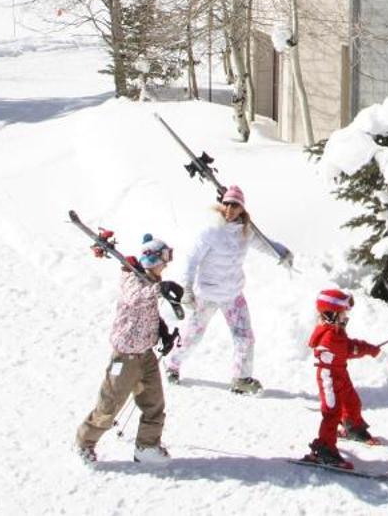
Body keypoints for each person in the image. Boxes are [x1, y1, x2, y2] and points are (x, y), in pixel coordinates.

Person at [164, 185, 291, 394]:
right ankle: (172, 366)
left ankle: (240, 378)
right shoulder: (211, 231)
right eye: (226, 204)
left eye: (235, 205)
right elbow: (191, 260)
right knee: (192, 336)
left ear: (242, 208)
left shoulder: (246, 232)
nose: (230, 209)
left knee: (245, 337)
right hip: (208, 294)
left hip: (233, 294)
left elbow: (265, 243)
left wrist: (282, 252)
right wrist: (187, 289)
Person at [74, 234, 179, 465]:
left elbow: (147, 314)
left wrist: (161, 332)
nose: (168, 263)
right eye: (165, 258)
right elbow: (135, 299)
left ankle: (147, 447)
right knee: (109, 406)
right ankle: (84, 443)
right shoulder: (133, 279)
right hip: (125, 358)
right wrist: (159, 289)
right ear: (154, 259)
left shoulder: (150, 280)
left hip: (146, 356)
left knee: (154, 404)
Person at [303, 287, 381, 469]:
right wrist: (368, 349)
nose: (346, 317)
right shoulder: (330, 336)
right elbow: (348, 348)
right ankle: (324, 449)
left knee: (352, 401)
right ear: (330, 315)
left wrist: (366, 348)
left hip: (339, 373)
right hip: (329, 378)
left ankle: (353, 427)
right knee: (332, 413)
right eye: (342, 314)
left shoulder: (335, 330)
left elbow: (347, 345)